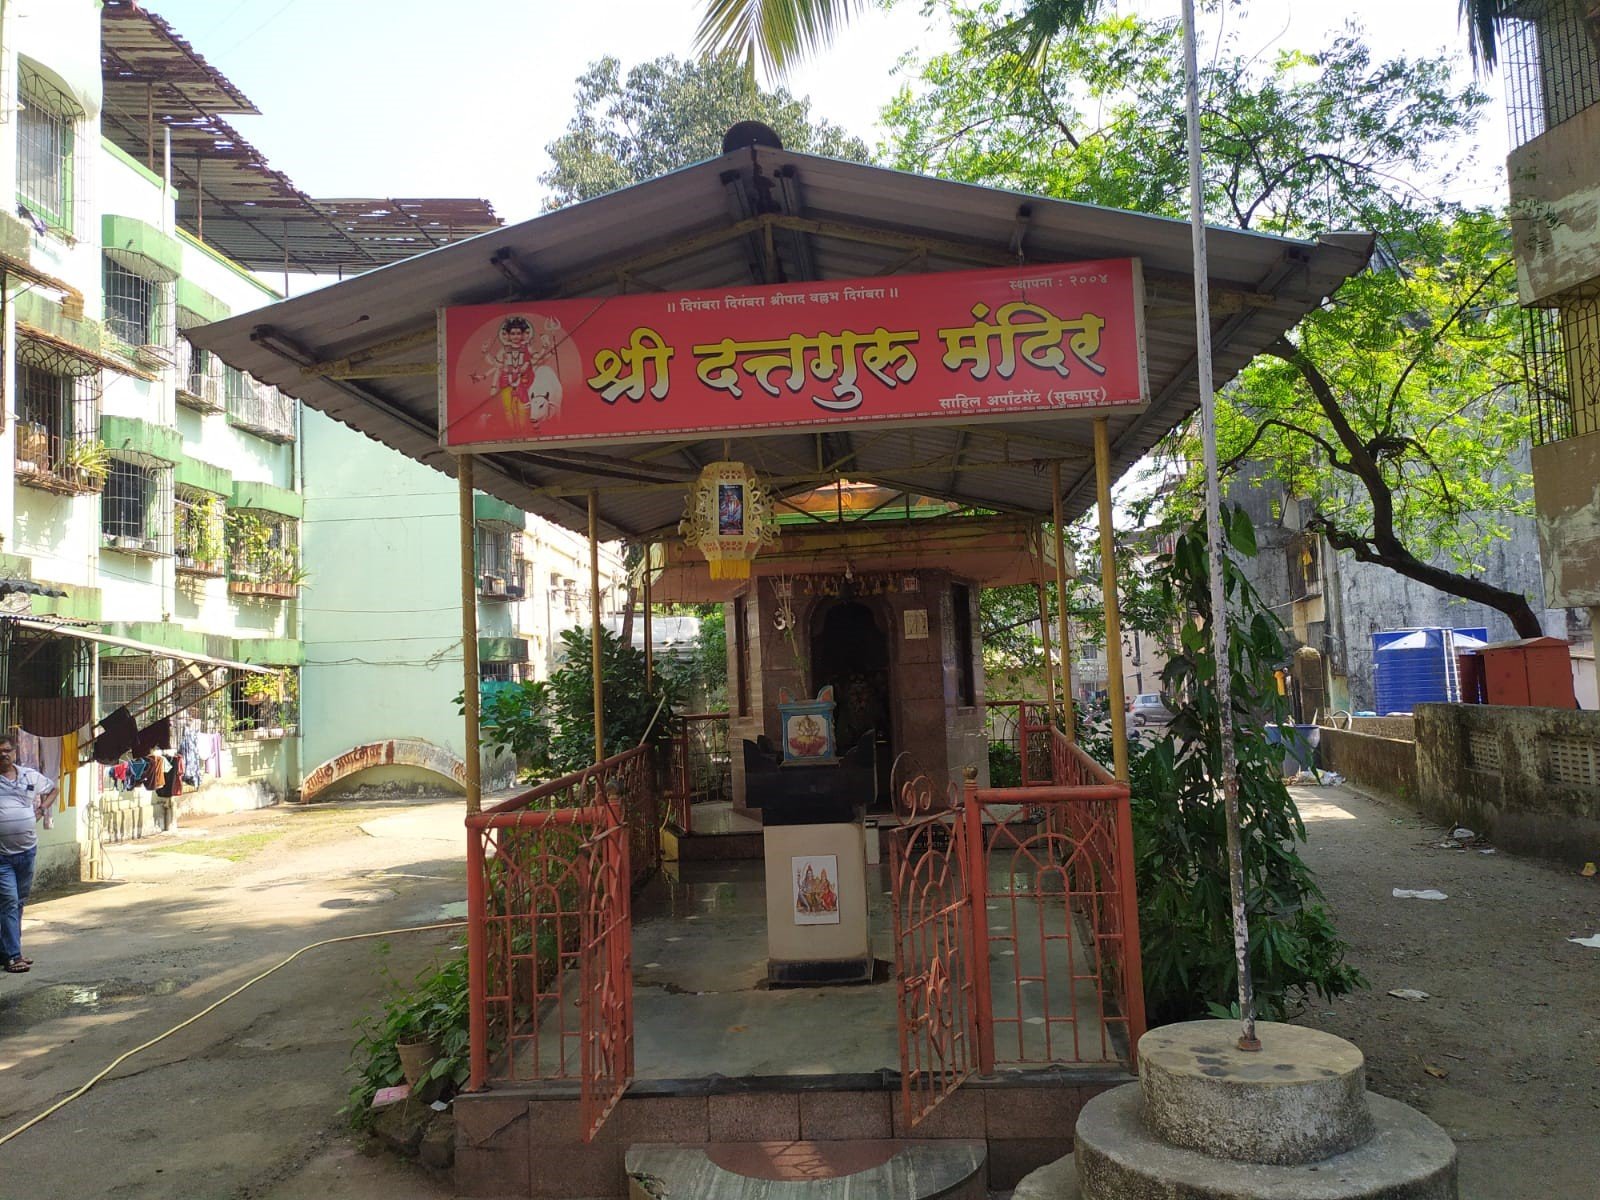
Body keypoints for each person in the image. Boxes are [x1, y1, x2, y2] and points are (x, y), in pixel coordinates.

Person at [1, 733, 56, 974]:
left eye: (7, 750)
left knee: (18, 902)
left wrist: (42, 808)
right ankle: (14, 956)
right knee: (9, 902)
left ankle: (8, 950)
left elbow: (53, 788)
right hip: (2, 856)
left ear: (15, 752)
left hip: (27, 851)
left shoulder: (29, 776)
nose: (3, 755)